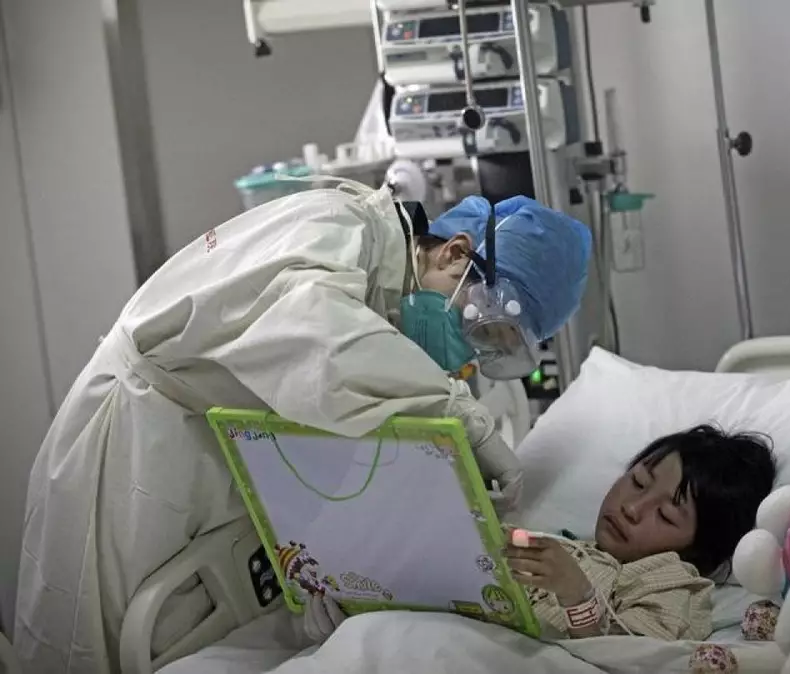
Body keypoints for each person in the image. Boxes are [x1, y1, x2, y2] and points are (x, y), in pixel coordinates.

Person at [15, 181, 591, 674]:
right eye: (478, 330)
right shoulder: (338, 227)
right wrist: (461, 417)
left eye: (489, 351)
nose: (467, 357)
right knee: (90, 638)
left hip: (190, 447)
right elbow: (324, 344)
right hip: (130, 444)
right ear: (455, 253)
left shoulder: (380, 287)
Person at [303, 424, 777, 643]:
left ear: (699, 550)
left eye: (667, 516)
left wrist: (578, 597)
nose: (632, 508)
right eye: (637, 481)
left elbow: (639, 659)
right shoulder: (552, 543)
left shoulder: (674, 582)